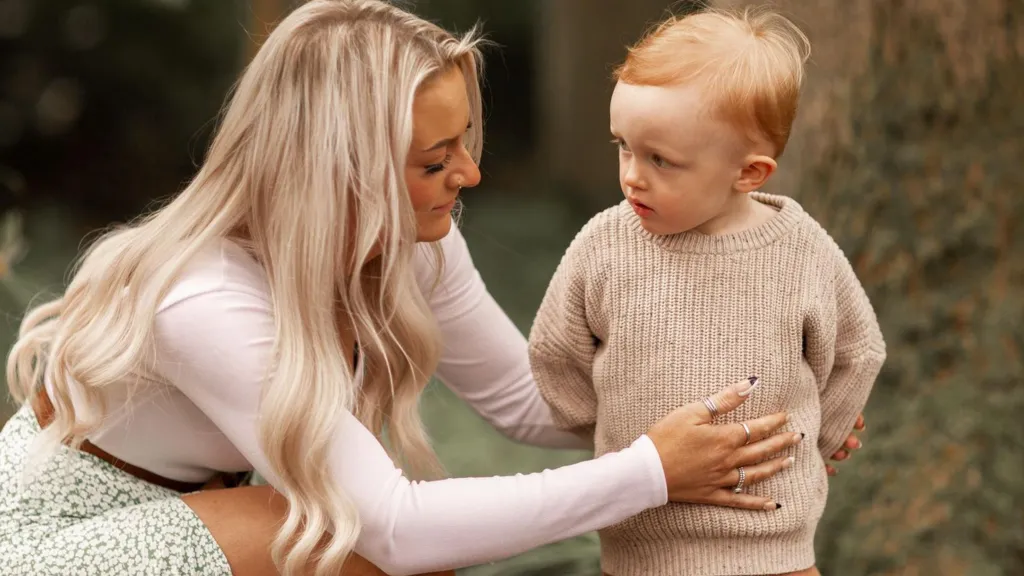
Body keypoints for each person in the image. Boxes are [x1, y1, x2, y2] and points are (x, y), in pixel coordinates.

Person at [0, 1, 860, 576]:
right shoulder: (202, 300)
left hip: (207, 507)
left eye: (465, 142)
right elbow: (396, 529)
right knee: (330, 537)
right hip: (57, 539)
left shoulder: (412, 246)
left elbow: (540, 403)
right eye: (434, 159)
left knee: (348, 536)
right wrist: (649, 474)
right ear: (341, 167)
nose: (472, 172)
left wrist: (756, 417)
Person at [528, 7, 887, 576]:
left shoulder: (798, 248)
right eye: (624, 145)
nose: (632, 176)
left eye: (661, 160)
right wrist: (619, 435)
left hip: (776, 552)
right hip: (639, 550)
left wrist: (814, 440)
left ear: (748, 173)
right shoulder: (604, 245)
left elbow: (856, 350)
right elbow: (555, 353)